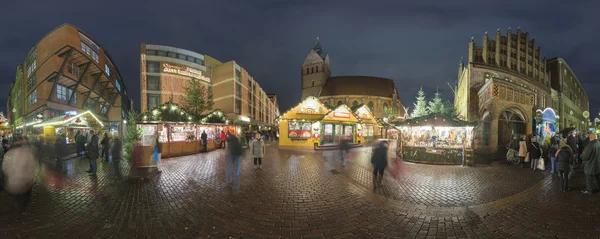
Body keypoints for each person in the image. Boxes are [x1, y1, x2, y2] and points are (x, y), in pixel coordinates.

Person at [2, 135, 36, 210]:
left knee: (16, 198)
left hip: (12, 183)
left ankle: (17, 208)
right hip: (24, 183)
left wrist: (10, 175)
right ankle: (21, 209)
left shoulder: (8, 154)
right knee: (24, 199)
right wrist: (29, 177)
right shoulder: (27, 154)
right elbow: (32, 167)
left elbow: (4, 168)